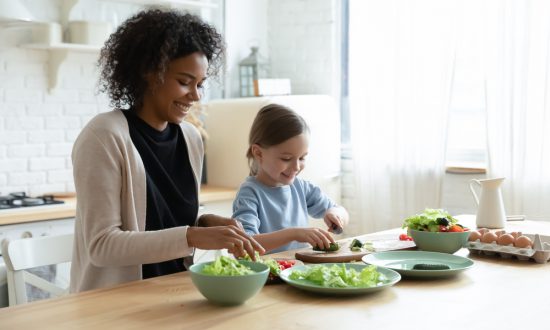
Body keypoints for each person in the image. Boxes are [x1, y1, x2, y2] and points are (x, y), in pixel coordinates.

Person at [70, 9, 264, 293]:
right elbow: (102, 246)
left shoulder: (191, 138)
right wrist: (194, 235)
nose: (196, 95)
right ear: (150, 73)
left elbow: (164, 220)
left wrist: (204, 222)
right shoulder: (103, 137)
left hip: (177, 293)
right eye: (185, 82)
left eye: (200, 84)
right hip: (115, 305)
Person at [232, 104, 349, 253]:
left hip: (299, 272)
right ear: (259, 153)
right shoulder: (249, 193)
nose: (296, 167)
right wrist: (294, 234)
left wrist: (336, 215)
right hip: (269, 274)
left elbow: (341, 210)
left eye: (302, 158)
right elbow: (245, 244)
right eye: (286, 158)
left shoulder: (301, 187)